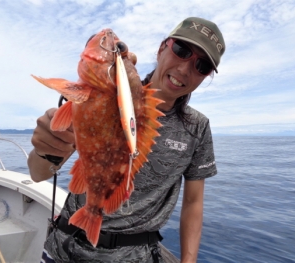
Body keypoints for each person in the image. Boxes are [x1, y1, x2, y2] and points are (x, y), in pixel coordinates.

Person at [28, 17, 225, 263]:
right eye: (181, 50)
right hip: (65, 249)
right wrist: (45, 149)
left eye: (202, 66)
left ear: (206, 76)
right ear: (163, 47)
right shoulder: (106, 94)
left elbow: (193, 203)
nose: (185, 69)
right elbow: (38, 174)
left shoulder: (198, 128)